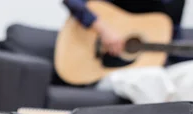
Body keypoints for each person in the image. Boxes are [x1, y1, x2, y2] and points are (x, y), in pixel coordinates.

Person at [62, 0, 193, 104]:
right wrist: (104, 30)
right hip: (107, 70)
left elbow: (170, 46)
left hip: (154, 65)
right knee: (151, 78)